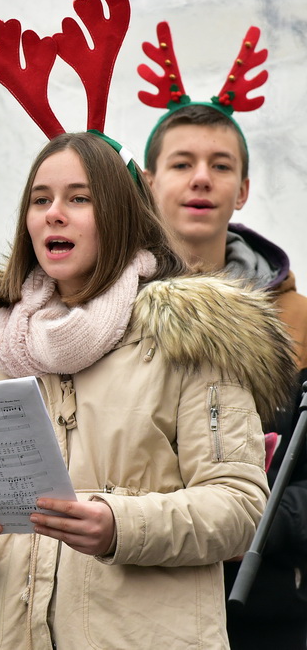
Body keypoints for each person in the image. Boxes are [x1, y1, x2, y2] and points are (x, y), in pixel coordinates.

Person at [0, 131, 294, 648]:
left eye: (79, 198)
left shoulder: (192, 335)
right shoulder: (0, 342)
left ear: (122, 213)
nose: (55, 213)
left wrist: (118, 525)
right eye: (40, 199)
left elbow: (238, 507)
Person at [144, 102, 307, 647]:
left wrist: (258, 522)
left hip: (264, 611)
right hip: (134, 603)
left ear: (242, 189)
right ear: (148, 182)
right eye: (182, 162)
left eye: (220, 165)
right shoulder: (102, 315)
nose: (200, 179)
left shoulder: (299, 323)